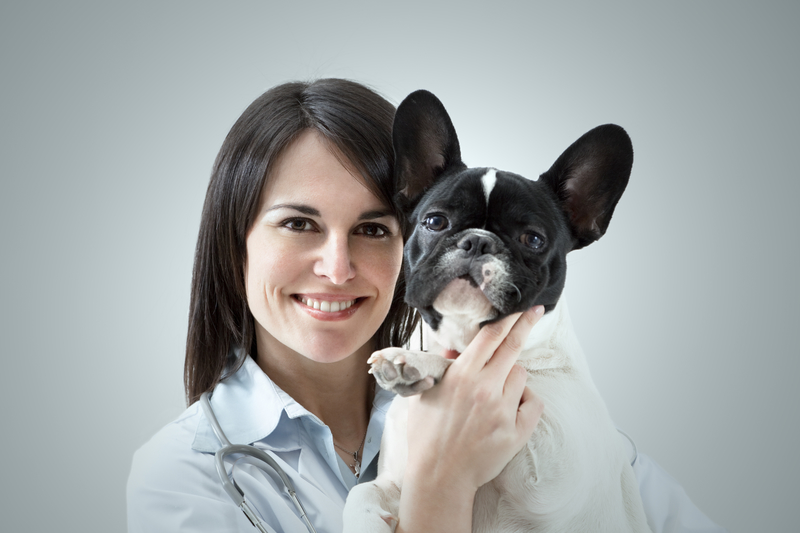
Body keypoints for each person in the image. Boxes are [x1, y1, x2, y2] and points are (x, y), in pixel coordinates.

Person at [127, 78, 727, 533]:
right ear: (236, 241)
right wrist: (442, 486)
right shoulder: (182, 476)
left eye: (373, 230)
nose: (336, 268)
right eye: (300, 224)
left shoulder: (548, 410)